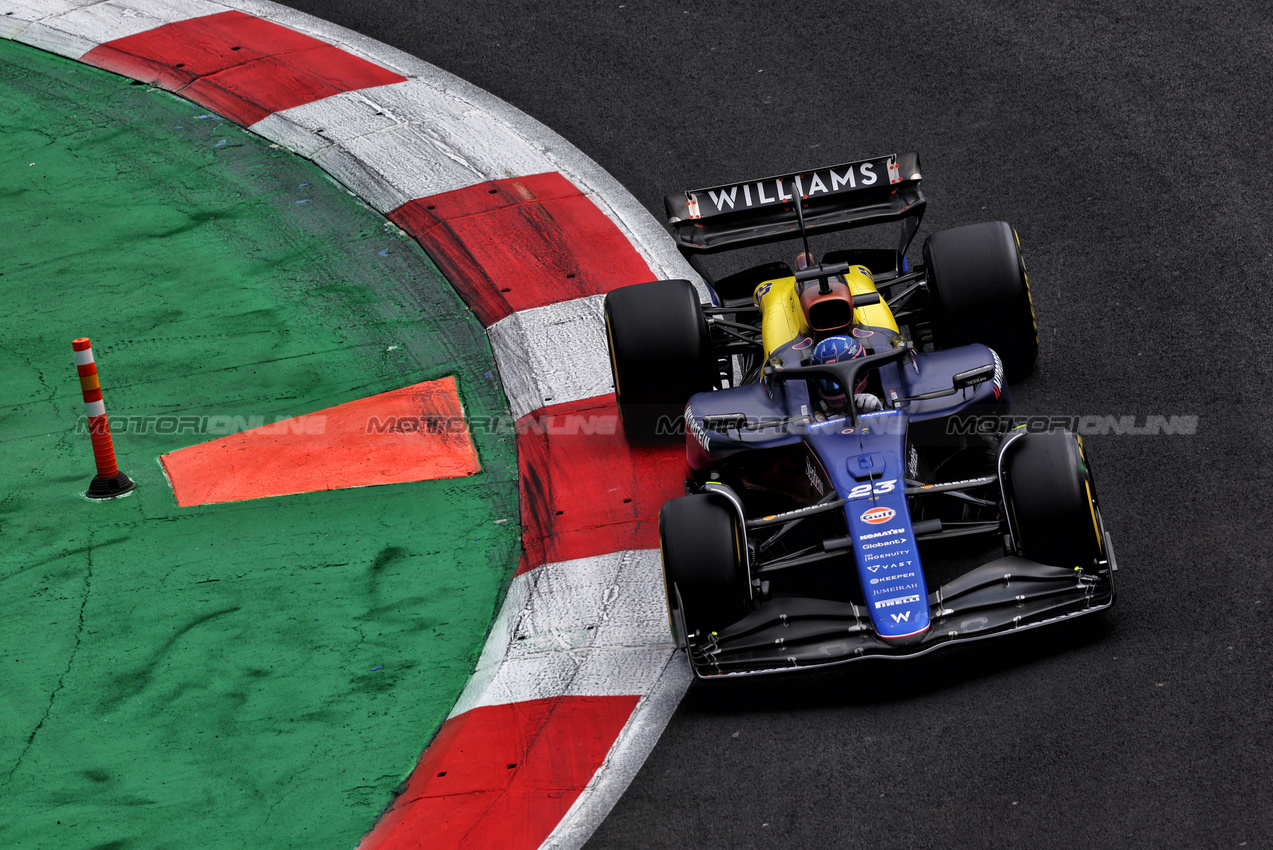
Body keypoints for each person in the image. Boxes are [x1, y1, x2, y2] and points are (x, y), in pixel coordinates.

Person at [810, 336, 884, 413]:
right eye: (827, 381)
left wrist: (879, 412)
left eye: (840, 380)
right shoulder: (815, 409)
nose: (834, 388)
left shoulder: (881, 393)